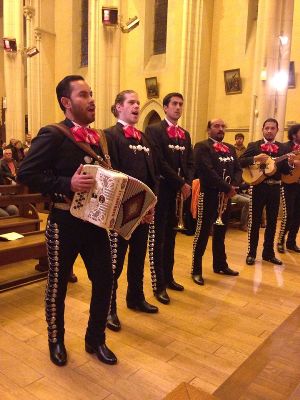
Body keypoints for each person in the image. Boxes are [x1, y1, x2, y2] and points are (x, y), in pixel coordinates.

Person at [17, 75, 117, 367]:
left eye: (91, 93)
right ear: (66, 102)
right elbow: (26, 174)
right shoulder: (53, 134)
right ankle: (56, 339)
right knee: (58, 284)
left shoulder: (100, 138)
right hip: (64, 221)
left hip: (95, 222)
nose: (92, 100)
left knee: (104, 280)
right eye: (84, 95)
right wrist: (66, 183)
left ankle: (95, 339)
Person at [104, 90, 159, 332]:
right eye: (131, 102)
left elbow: (152, 171)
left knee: (138, 257)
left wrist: (151, 202)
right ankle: (108, 308)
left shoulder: (144, 138)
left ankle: (135, 297)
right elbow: (113, 173)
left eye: (138, 102)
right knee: (115, 262)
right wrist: (131, 205)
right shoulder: (109, 135)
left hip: (144, 208)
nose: (137, 106)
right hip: (122, 210)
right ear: (118, 107)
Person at [145, 92, 194, 304]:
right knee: (159, 238)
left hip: (178, 193)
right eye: (174, 104)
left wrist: (189, 182)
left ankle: (169, 276)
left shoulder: (185, 134)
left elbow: (190, 162)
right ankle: (158, 284)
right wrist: (180, 182)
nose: (178, 107)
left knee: (172, 236)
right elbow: (159, 161)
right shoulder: (154, 130)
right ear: (165, 108)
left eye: (181, 104)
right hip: (163, 190)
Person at [239, 118, 295, 266]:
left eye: (272, 128)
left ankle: (268, 254)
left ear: (277, 130)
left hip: (275, 188)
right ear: (263, 129)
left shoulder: (283, 148)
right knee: (254, 221)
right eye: (267, 128)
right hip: (258, 187)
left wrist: (289, 164)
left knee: (271, 222)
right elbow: (240, 162)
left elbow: (285, 171)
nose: (269, 130)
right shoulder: (254, 145)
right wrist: (254, 158)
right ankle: (251, 254)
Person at [191, 119, 240, 285]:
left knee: (221, 232)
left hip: (225, 197)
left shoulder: (231, 148)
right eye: (216, 126)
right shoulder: (202, 146)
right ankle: (196, 269)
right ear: (208, 129)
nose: (220, 129)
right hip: (209, 195)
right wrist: (227, 187)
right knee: (203, 233)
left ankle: (220, 264)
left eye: (222, 126)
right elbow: (206, 171)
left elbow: (238, 170)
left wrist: (234, 184)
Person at [277, 124, 300, 253]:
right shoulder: (285, 147)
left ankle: (291, 242)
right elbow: (279, 163)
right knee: (288, 215)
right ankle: (280, 241)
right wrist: (292, 162)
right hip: (288, 184)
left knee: (298, 216)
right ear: (293, 134)